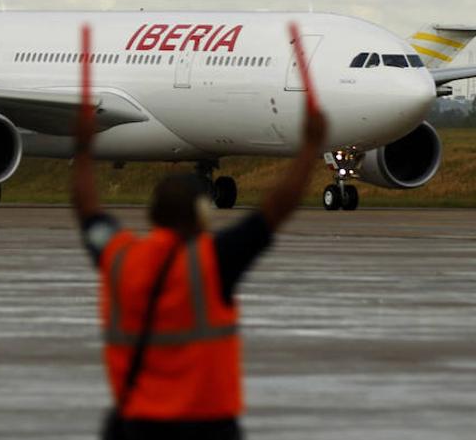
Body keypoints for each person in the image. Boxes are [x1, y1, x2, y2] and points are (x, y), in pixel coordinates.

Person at [72, 102, 328, 440]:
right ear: (201, 214)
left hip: (139, 425)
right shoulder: (215, 259)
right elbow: (275, 210)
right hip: (207, 426)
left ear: (153, 215)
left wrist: (84, 150)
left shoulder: (118, 257)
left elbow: (87, 209)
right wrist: (310, 149)